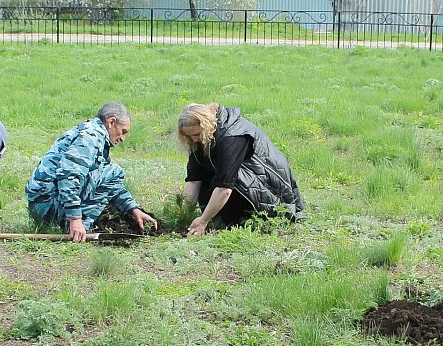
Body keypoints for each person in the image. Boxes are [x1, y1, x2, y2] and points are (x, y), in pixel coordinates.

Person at [26, 102, 158, 242]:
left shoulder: (93, 132)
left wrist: (133, 209)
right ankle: (74, 225)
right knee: (114, 172)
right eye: (123, 131)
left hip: (44, 200)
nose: (123, 139)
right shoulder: (91, 137)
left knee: (110, 173)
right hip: (47, 202)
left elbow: (111, 183)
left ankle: (74, 221)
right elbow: (68, 176)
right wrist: (75, 218)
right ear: (111, 122)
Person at [176, 103, 304, 236]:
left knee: (224, 194)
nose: (194, 139)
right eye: (189, 136)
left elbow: (224, 186)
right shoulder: (200, 139)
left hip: (269, 190)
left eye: (196, 134)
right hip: (236, 183)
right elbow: (194, 180)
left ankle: (243, 219)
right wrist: (184, 214)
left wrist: (203, 221)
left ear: (206, 125)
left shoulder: (232, 136)